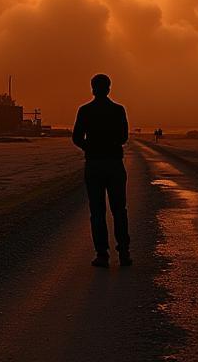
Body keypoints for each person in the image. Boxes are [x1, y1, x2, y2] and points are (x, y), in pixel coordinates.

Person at [72, 73, 131, 268]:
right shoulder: (118, 110)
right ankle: (123, 252)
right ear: (108, 88)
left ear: (92, 88)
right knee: (119, 210)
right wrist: (109, 144)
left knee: (97, 211)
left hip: (95, 165)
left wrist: (90, 147)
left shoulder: (85, 111)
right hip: (114, 164)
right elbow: (124, 137)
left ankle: (102, 254)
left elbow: (77, 138)